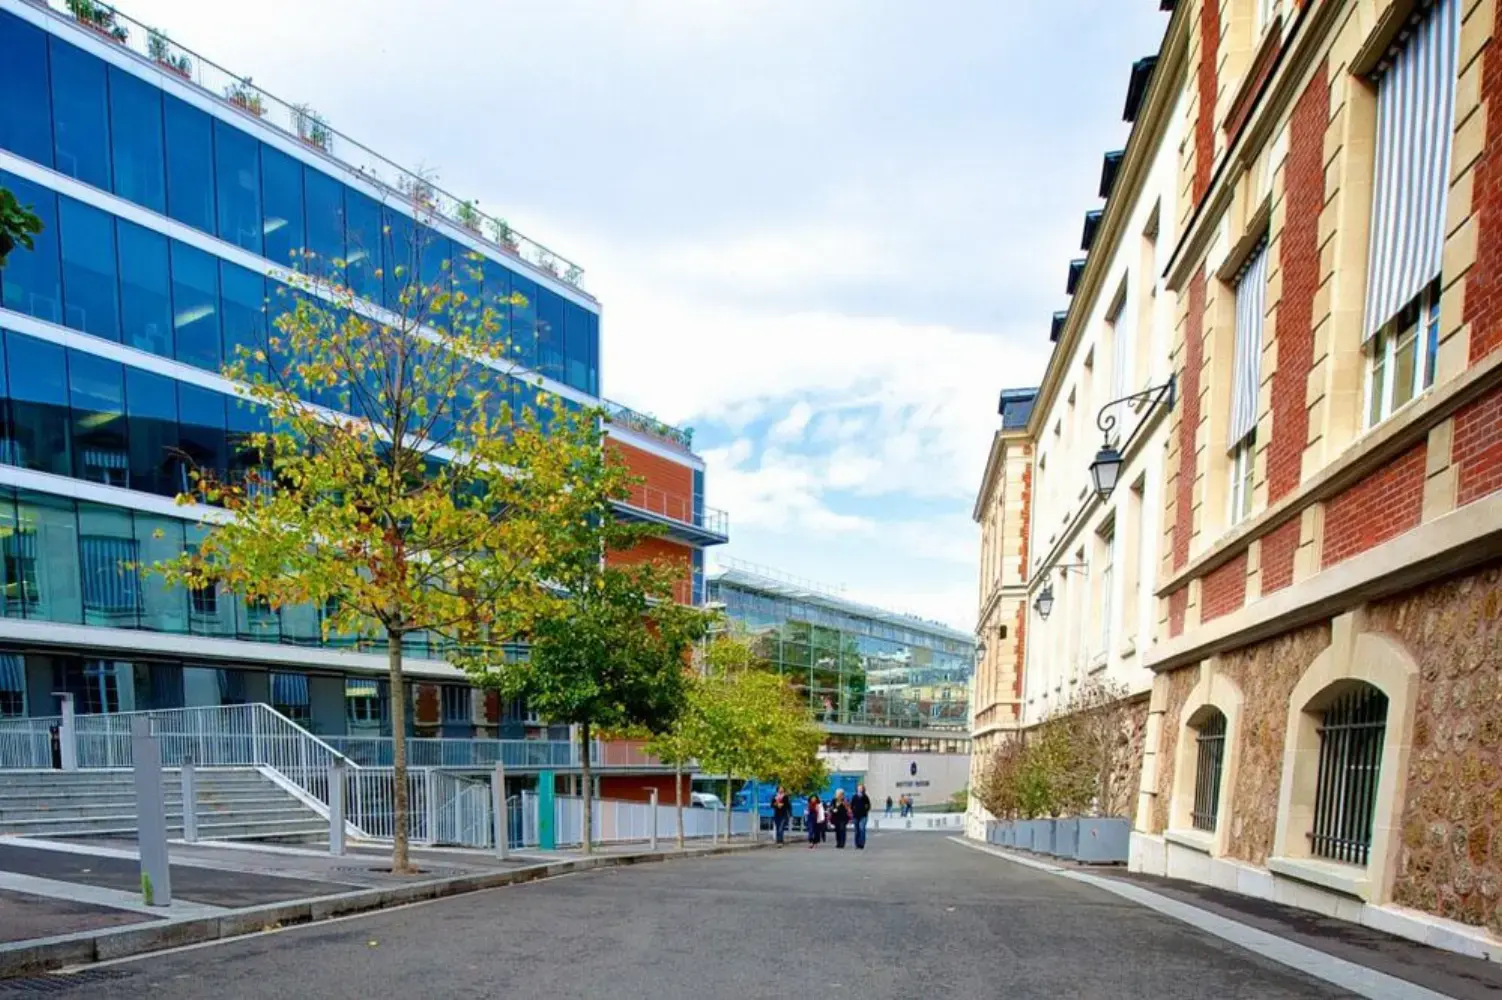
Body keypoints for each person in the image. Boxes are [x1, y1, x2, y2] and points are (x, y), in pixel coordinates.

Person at [851, 783, 872, 850]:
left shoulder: (865, 797)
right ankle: (857, 844)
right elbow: (851, 805)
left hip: (863, 816)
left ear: (863, 789)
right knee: (857, 830)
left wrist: (865, 810)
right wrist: (853, 811)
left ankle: (861, 844)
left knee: (862, 829)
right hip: (856, 816)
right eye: (859, 788)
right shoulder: (854, 796)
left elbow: (868, 805)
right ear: (857, 789)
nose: (860, 789)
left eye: (861, 788)